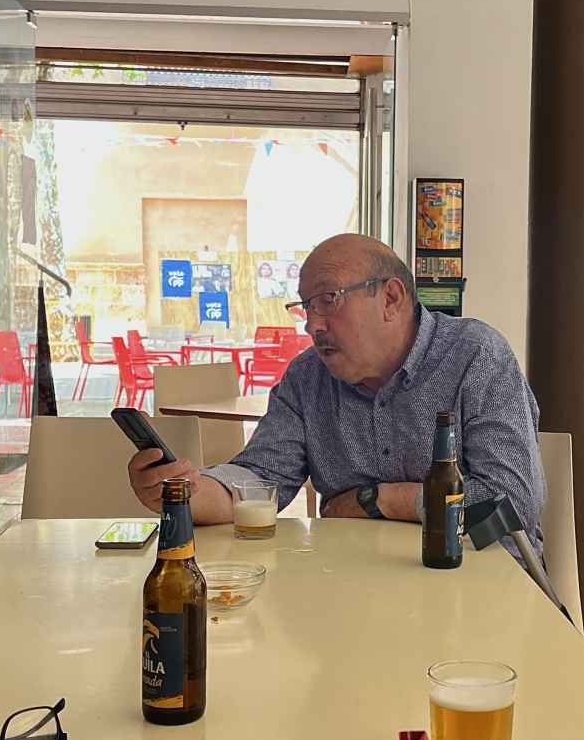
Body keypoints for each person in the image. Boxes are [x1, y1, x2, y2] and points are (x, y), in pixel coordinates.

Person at [127, 233, 546, 561]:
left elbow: (510, 505)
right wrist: (185, 493)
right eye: (306, 308)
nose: (313, 325)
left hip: (481, 584)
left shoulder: (476, 356)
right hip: (358, 586)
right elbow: (260, 478)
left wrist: (377, 500)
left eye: (328, 301)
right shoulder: (308, 378)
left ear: (392, 299)